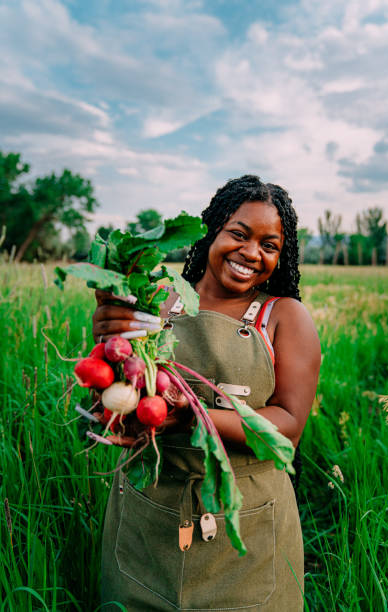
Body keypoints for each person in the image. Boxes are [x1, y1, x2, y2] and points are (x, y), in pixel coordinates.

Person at [92, 175, 321, 611]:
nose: (251, 253)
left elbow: (288, 431)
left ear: (281, 255)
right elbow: (114, 391)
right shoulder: (157, 300)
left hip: (246, 531)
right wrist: (107, 349)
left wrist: (196, 415)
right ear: (212, 231)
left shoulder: (285, 317)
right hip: (147, 515)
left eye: (269, 245)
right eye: (238, 233)